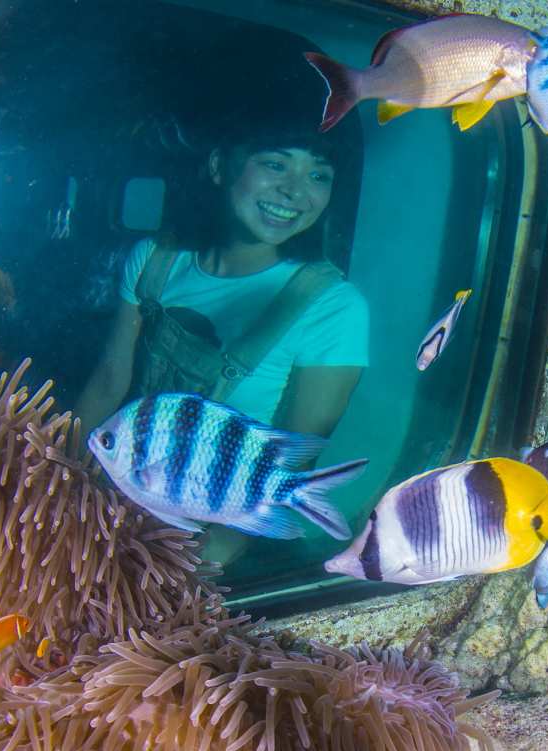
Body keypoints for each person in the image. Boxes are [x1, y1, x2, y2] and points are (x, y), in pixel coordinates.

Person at [75, 114, 369, 568]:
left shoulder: (333, 306)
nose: (295, 191)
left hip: (209, 527)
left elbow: (294, 456)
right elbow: (109, 382)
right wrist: (61, 485)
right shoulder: (155, 259)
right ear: (218, 166)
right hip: (124, 485)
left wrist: (194, 573)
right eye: (275, 164)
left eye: (318, 175)